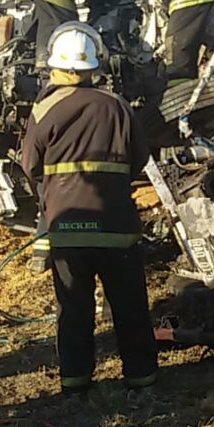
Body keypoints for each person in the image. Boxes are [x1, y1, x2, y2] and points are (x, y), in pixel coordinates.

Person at [21, 22, 158, 394]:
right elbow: (140, 159)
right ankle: (142, 377)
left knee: (74, 310)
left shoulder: (45, 107)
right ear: (95, 66)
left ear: (56, 66)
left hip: (68, 229)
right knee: (130, 308)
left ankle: (75, 381)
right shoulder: (118, 106)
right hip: (117, 226)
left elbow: (29, 164)